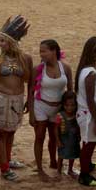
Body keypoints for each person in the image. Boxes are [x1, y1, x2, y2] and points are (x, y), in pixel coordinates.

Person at [0, 15, 33, 181]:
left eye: (3, 40)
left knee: (11, 132)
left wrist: (29, 100)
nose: (0, 44)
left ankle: (7, 160)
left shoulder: (26, 59)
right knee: (0, 135)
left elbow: (30, 83)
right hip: (1, 98)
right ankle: (4, 168)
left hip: (17, 99)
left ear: (12, 42)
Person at [29, 39, 73, 181]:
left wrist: (69, 110)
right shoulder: (38, 69)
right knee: (40, 137)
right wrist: (31, 113)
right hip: (41, 105)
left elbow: (70, 90)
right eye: (40, 51)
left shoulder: (65, 68)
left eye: (44, 51)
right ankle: (40, 169)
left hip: (58, 107)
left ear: (54, 51)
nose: (41, 54)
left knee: (55, 137)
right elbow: (30, 91)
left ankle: (54, 161)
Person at [75, 36, 96, 187]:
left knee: (90, 143)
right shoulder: (91, 74)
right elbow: (90, 99)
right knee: (89, 145)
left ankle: (87, 165)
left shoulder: (87, 70)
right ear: (95, 54)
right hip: (89, 115)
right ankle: (84, 174)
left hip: (88, 113)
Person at [55, 91, 81, 178]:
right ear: (63, 105)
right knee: (61, 155)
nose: (70, 108)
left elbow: (78, 126)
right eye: (67, 105)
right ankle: (58, 171)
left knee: (72, 155)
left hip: (74, 139)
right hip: (63, 140)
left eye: (72, 105)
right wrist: (58, 140)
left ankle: (70, 169)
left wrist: (79, 135)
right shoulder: (60, 116)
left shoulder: (76, 115)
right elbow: (56, 129)